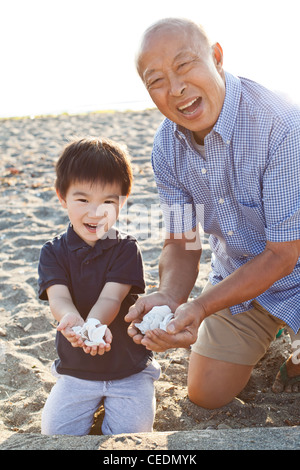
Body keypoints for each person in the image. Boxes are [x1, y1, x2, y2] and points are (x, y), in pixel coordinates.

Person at [125, 17, 300, 409]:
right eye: (156, 80)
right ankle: (269, 330)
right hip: (238, 281)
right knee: (206, 395)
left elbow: (284, 255)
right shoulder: (166, 147)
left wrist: (201, 306)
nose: (175, 89)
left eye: (185, 65)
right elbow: (182, 240)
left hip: (295, 268)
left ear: (216, 57)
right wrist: (171, 296)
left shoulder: (282, 124)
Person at [38, 137, 160, 436]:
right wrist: (73, 321)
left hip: (129, 370)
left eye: (108, 201)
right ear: (62, 196)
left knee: (131, 436)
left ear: (123, 200)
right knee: (55, 435)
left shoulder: (125, 248)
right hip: (75, 371)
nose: (95, 213)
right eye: (83, 200)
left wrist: (94, 324)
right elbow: (59, 297)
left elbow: (111, 297)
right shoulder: (52, 251)